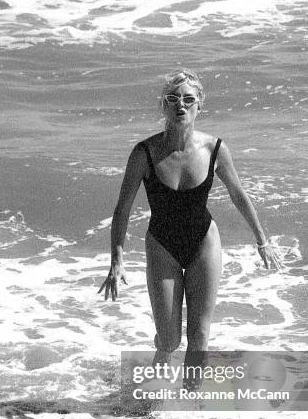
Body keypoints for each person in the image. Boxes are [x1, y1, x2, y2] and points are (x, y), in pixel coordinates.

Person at [99, 69, 280, 379]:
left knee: (199, 336)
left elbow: (239, 195)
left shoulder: (215, 149)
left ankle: (191, 405)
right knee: (170, 340)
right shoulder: (145, 153)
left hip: (204, 242)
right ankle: (160, 355)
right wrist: (117, 259)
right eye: (172, 99)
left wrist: (262, 240)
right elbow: (122, 209)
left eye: (187, 99)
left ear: (200, 105)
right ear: (163, 106)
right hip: (162, 245)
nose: (180, 105)